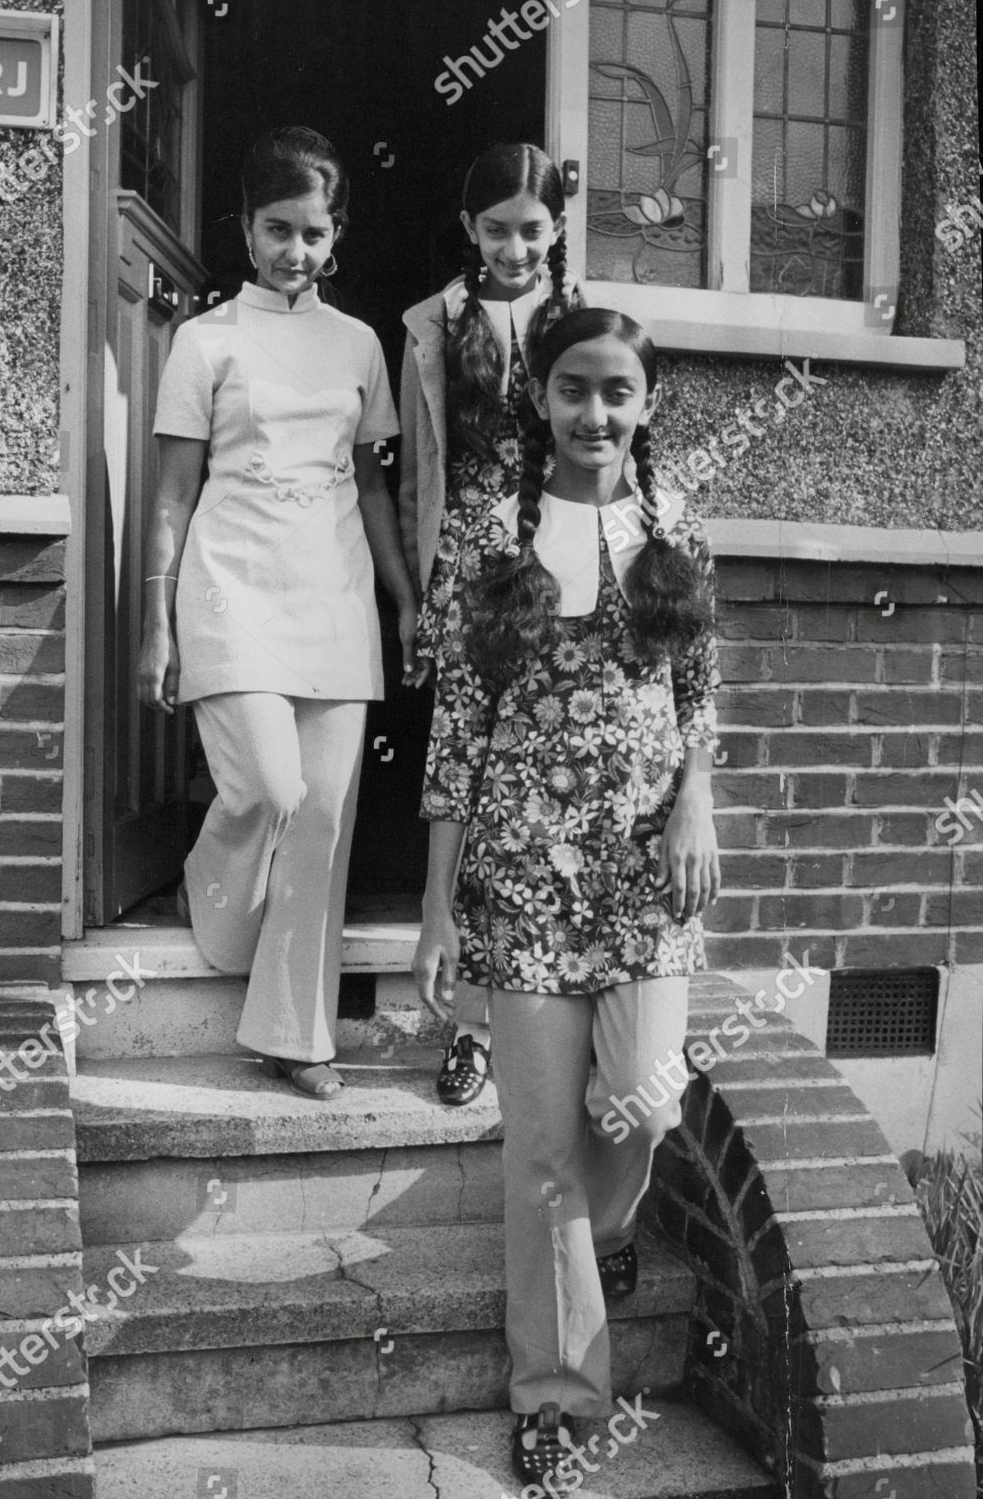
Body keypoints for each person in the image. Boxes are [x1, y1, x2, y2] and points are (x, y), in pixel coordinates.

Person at [411, 307, 721, 1490]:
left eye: (618, 392)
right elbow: (454, 733)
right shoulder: (487, 536)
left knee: (642, 1100)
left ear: (645, 404)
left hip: (644, 874)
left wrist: (696, 805)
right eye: (573, 390)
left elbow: (697, 697)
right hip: (519, 876)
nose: (595, 413)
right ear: (538, 399)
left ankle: (601, 1238)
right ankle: (553, 1397)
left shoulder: (676, 531)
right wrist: (437, 909)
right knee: (538, 1146)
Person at [138, 126, 419, 1101]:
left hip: (335, 593)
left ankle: (295, 1036)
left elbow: (373, 488)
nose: (293, 250)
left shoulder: (357, 346)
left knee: (323, 818)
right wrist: (157, 621)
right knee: (267, 788)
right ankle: (212, 906)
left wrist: (403, 598)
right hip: (231, 588)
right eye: (275, 229)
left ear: (333, 233)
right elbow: (171, 492)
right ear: (245, 229)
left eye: (311, 231)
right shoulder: (203, 340)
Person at [399, 142, 586, 1106]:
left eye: (532, 228)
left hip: (557, 558)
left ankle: (549, 1012)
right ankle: (467, 1023)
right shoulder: (435, 323)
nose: (514, 247)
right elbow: (414, 475)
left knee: (541, 788)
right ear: (471, 228)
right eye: (496, 228)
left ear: (556, 228)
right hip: (470, 565)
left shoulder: (584, 323)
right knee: (461, 785)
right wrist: (418, 596)